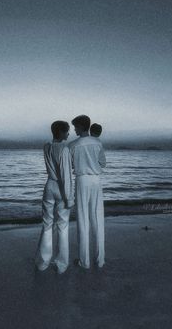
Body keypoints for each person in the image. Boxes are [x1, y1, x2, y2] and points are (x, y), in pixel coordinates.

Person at [35, 121, 74, 274]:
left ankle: (43, 262)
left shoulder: (46, 146)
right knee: (63, 226)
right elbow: (66, 176)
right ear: (61, 132)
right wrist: (69, 199)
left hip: (49, 185)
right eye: (67, 131)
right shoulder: (64, 149)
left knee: (47, 224)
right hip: (60, 187)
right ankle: (61, 264)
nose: (68, 134)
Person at [69, 115, 106, 269]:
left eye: (76, 127)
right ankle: (100, 260)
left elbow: (70, 164)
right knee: (97, 220)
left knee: (83, 220)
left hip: (82, 180)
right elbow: (103, 163)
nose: (74, 129)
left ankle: (84, 262)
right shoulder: (97, 142)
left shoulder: (72, 145)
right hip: (96, 181)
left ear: (81, 127)